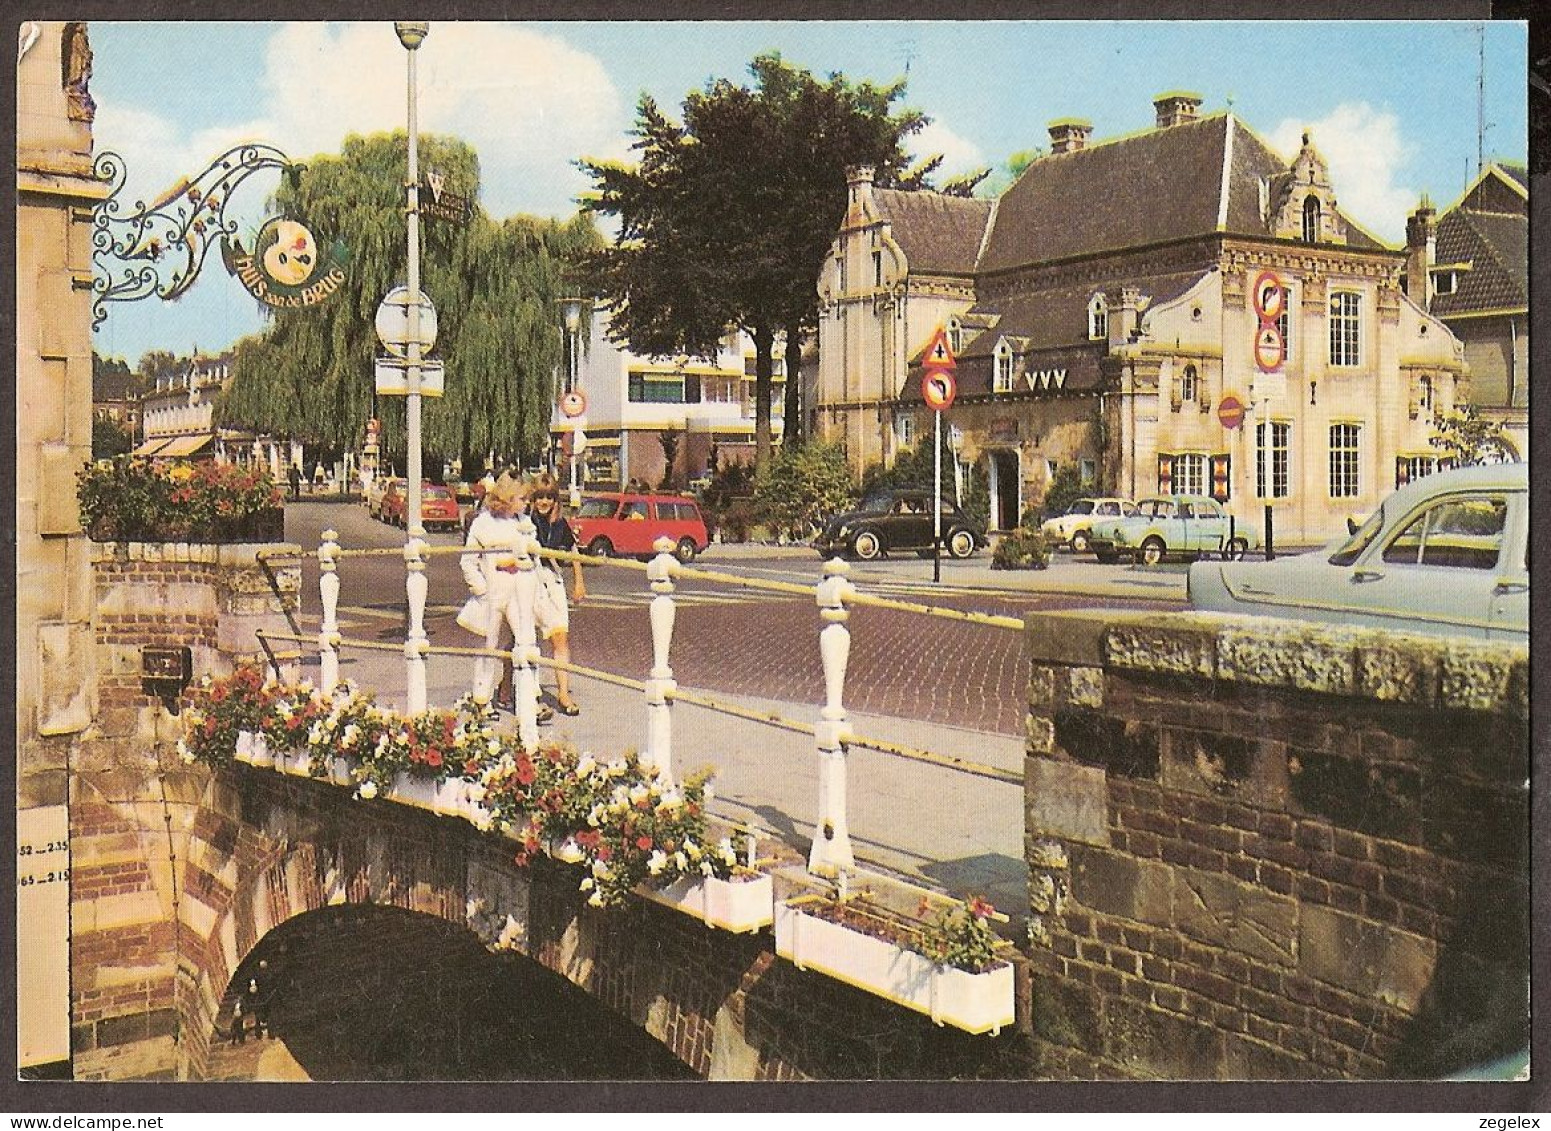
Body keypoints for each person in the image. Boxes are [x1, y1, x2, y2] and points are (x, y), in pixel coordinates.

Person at [460, 473, 554, 720]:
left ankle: (530, 699)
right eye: (522, 498)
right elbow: (468, 561)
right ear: (507, 497)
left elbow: (534, 558)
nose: (526, 503)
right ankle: (481, 700)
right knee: (488, 647)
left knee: (527, 641)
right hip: (493, 591)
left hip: (519, 591)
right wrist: (481, 589)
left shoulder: (525, 523)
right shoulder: (483, 523)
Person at [526, 472, 585, 715]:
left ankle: (562, 693)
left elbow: (572, 552)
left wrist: (579, 581)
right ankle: (524, 693)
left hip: (552, 583)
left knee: (560, 637)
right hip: (530, 580)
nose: (544, 502)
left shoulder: (560, 524)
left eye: (549, 497)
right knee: (526, 638)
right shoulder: (526, 521)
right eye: (540, 496)